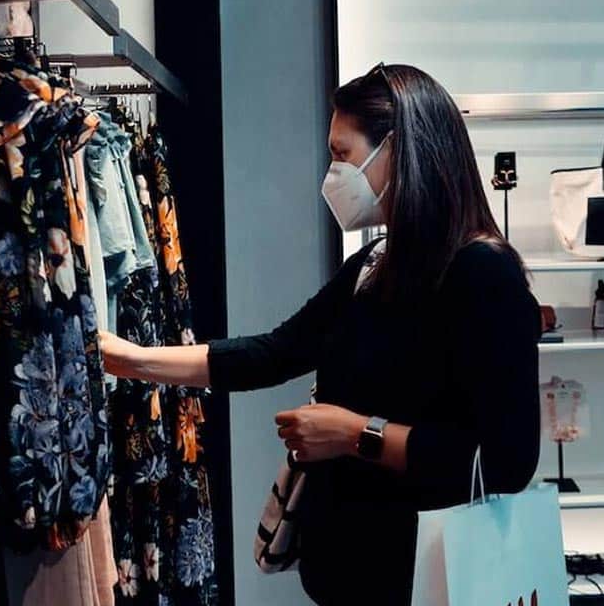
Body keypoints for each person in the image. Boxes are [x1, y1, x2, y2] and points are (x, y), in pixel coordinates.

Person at [101, 63, 541, 605]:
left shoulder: (482, 272)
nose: (332, 172)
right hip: (350, 575)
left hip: (430, 581)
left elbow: (507, 461)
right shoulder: (377, 263)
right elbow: (274, 351)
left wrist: (356, 433)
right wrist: (132, 360)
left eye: (342, 153)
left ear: (399, 151)